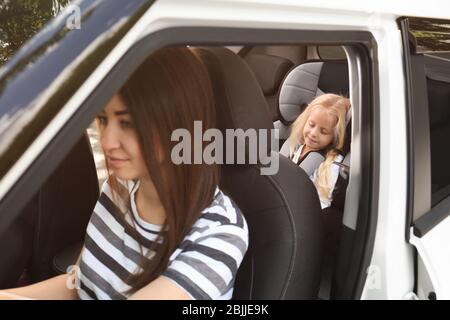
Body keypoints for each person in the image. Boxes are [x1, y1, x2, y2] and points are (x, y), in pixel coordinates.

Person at [0, 47, 249, 300]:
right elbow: (77, 284)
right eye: (103, 119)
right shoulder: (120, 187)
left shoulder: (219, 234)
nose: (107, 142)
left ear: (177, 123)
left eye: (127, 123)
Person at [287, 93, 350, 209]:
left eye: (324, 132)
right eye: (311, 125)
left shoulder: (332, 163)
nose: (313, 134)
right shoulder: (296, 146)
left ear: (334, 137)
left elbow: (323, 203)